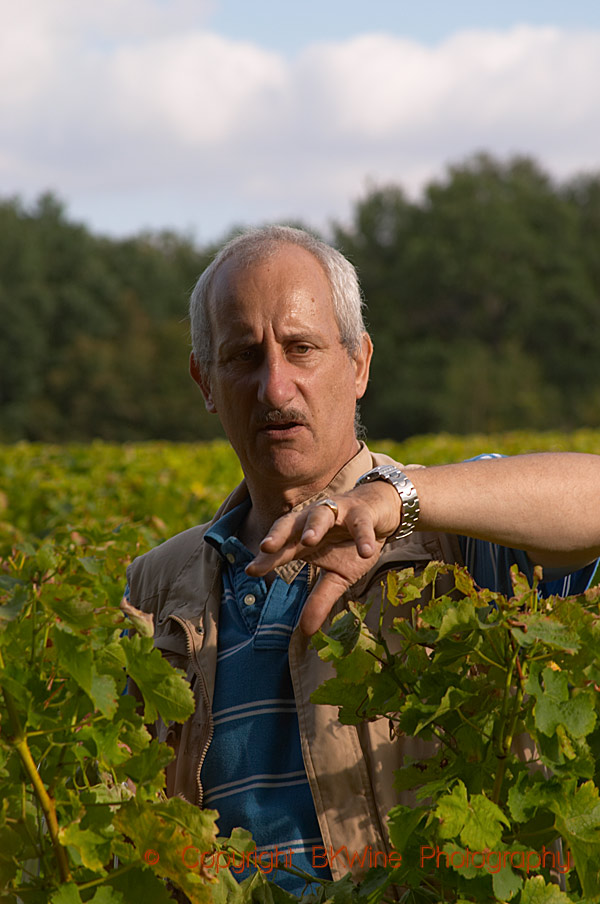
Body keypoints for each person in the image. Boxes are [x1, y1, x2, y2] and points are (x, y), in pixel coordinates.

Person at [125, 225, 600, 893]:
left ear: (360, 364)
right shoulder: (152, 588)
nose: (275, 387)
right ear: (205, 381)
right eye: (242, 356)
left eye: (301, 349)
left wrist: (398, 498)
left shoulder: (455, 532)